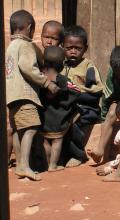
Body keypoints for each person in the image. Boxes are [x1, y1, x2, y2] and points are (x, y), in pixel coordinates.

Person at [5, 10, 59, 181]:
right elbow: (28, 68)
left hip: (12, 96)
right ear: (29, 28)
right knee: (32, 127)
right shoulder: (25, 45)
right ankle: (24, 165)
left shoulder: (10, 47)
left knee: (18, 130)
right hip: (25, 94)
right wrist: (47, 83)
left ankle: (20, 165)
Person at [61, 25, 103, 167]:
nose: (73, 51)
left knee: (72, 124)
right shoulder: (61, 66)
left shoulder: (88, 66)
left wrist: (74, 95)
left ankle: (78, 155)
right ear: (62, 47)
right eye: (69, 48)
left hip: (86, 108)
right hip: (67, 107)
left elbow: (96, 93)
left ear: (85, 48)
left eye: (78, 48)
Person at [40, 46, 80, 172]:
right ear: (62, 64)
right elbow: (76, 91)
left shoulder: (41, 79)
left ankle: (47, 165)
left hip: (44, 118)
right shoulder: (63, 80)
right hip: (59, 120)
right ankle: (53, 165)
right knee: (57, 140)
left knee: (45, 141)